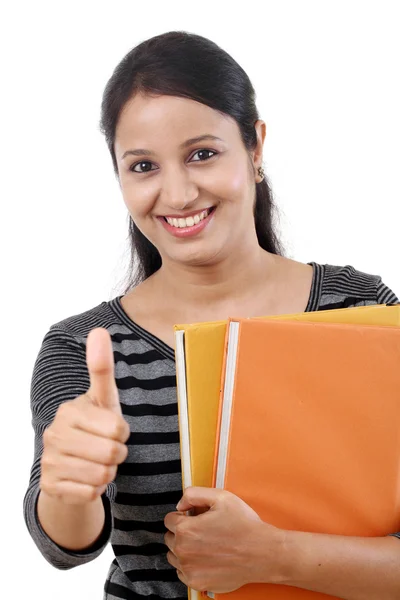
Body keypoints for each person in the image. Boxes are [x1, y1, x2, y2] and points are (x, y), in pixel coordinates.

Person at [23, 30, 400, 600]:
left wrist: (273, 556)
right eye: (143, 166)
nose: (176, 194)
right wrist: (69, 487)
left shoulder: (363, 311)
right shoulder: (82, 345)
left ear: (255, 148)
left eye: (202, 154)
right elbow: (64, 544)